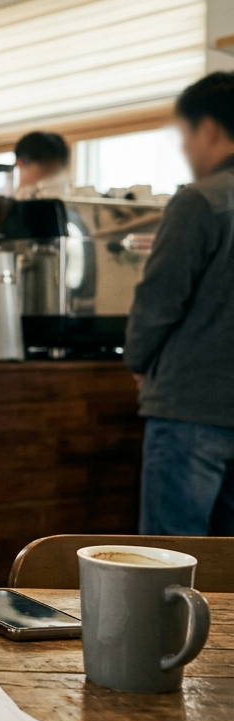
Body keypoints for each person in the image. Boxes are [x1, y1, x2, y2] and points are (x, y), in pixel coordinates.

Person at [126, 71, 234, 536]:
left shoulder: (201, 201)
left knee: (171, 557)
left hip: (190, 406)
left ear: (207, 129)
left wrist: (138, 361)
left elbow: (159, 298)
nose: (186, 149)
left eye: (185, 136)